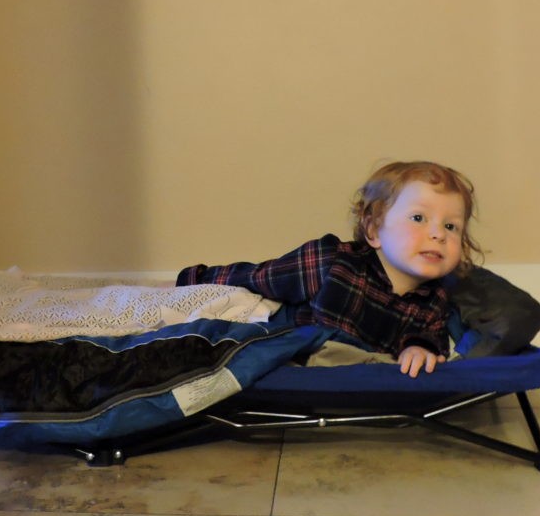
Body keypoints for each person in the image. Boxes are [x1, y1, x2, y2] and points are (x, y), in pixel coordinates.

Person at [176, 161, 483, 378]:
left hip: (354, 368)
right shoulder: (334, 262)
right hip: (289, 343)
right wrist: (191, 280)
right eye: (419, 218)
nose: (438, 234)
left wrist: (419, 348)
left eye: (451, 226)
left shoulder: (436, 296)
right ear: (375, 231)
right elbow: (258, 277)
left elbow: (431, 334)